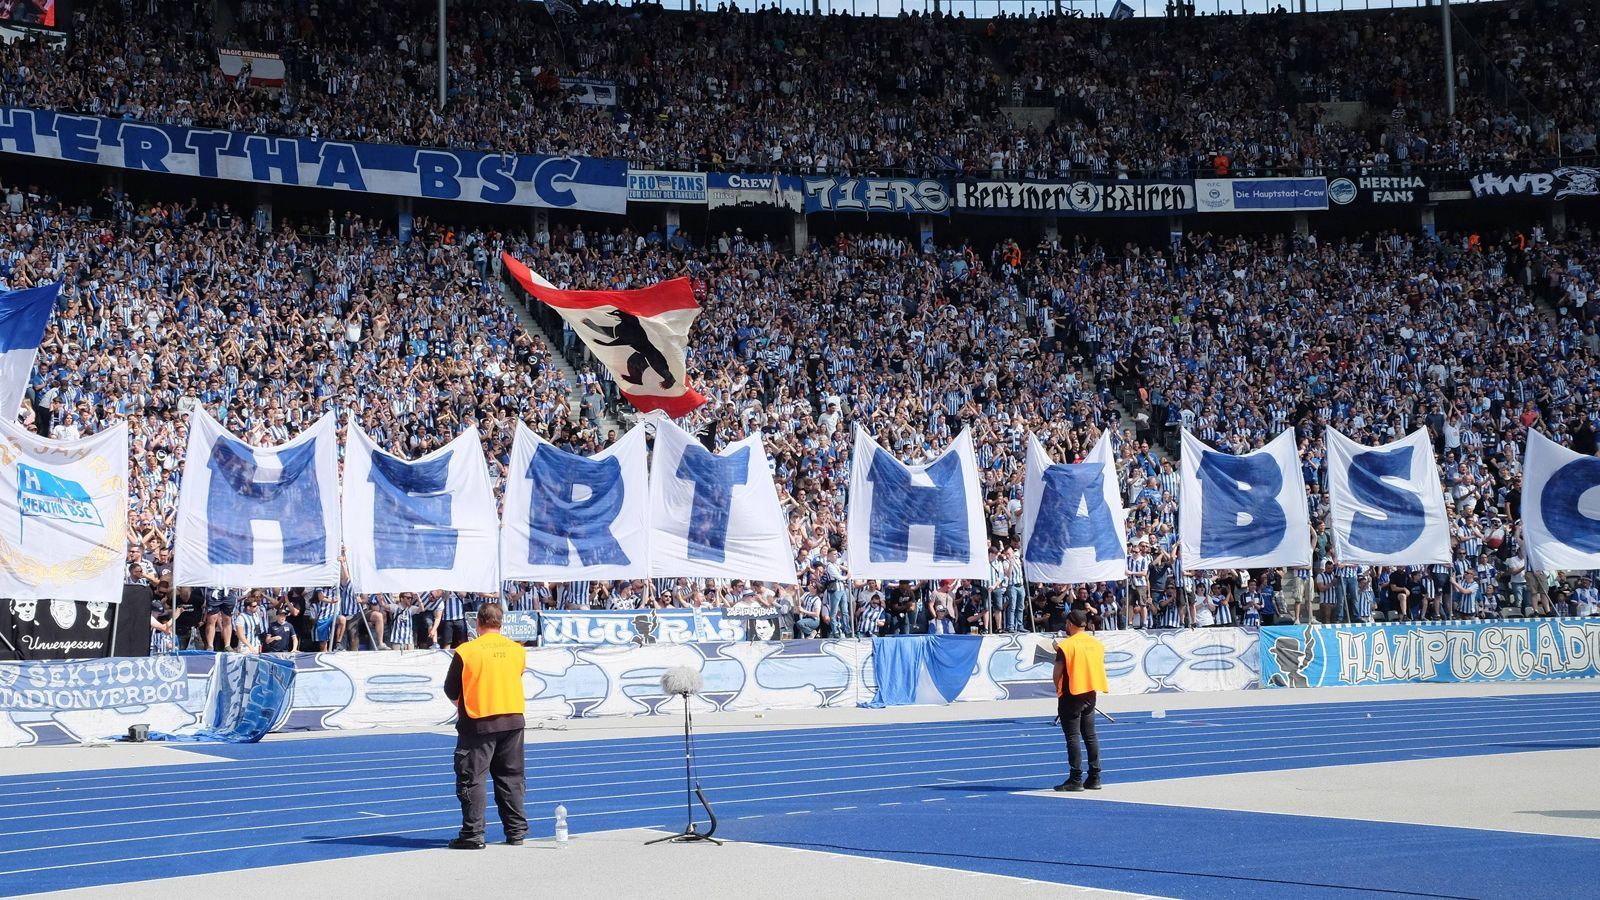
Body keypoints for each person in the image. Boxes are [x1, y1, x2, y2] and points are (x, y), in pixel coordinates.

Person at [442, 602, 528, 849]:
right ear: (501, 623)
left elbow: (451, 689)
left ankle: (473, 834)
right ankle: (516, 832)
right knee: (511, 777)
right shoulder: (517, 650)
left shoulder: (466, 651)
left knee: (472, 778)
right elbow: (517, 675)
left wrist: (464, 703)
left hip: (478, 720)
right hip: (512, 718)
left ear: (477, 622)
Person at [1052, 610, 1108, 792]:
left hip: (1071, 693)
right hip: (1090, 692)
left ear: (1069, 624)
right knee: (1090, 736)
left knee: (1073, 737)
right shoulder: (1096, 644)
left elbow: (1057, 672)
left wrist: (1058, 688)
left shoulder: (1066, 645)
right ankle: (1095, 777)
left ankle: (1076, 778)